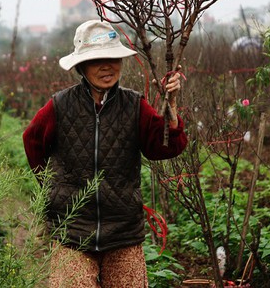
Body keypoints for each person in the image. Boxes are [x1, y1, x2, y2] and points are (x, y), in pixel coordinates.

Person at [23, 19, 188, 288]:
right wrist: (51, 189)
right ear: (81, 66)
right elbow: (32, 141)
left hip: (123, 230)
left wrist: (171, 106)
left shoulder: (135, 105)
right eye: (97, 59)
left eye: (113, 58)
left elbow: (165, 147)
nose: (107, 67)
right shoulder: (60, 105)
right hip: (73, 231)